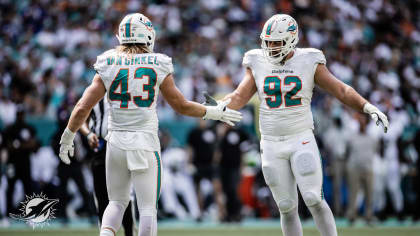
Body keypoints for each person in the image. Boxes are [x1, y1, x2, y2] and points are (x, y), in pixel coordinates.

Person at [57, 13, 242, 236]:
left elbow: (81, 107)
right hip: (145, 142)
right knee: (147, 209)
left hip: (115, 142)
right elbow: (181, 106)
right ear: (147, 36)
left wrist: (68, 136)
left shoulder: (108, 61)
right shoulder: (157, 63)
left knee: (115, 203)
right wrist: (212, 112)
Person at [222, 14, 389, 236]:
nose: (271, 47)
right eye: (268, 42)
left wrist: (367, 106)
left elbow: (340, 89)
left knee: (313, 198)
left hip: (300, 137)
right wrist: (216, 109)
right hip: (271, 142)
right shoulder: (257, 60)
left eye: (276, 42)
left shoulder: (308, 60)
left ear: (292, 40)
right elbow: (239, 95)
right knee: (285, 206)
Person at [79, 96, 136, 236]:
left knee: (124, 197)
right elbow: (81, 118)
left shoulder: (125, 90)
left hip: (121, 149)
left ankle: (130, 232)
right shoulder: (94, 93)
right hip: (100, 150)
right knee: (102, 199)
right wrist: (88, 134)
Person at [345, 113, 379, 225]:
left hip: (368, 168)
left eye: (363, 120)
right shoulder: (351, 137)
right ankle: (352, 216)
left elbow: (375, 151)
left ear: (367, 123)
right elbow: (347, 151)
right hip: (354, 168)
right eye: (360, 120)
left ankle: (368, 216)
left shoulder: (372, 138)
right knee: (353, 192)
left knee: (370, 193)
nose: (362, 122)